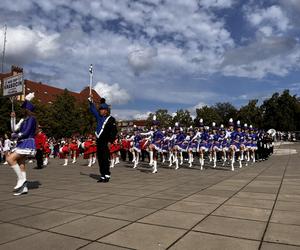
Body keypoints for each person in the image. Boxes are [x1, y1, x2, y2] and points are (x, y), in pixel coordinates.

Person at [7, 93, 37, 195]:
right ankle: (23, 188)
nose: (22, 109)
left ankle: (21, 180)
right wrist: (13, 119)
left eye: (24, 108)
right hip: (21, 143)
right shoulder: (23, 120)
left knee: (10, 159)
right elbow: (13, 129)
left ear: (27, 109)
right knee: (21, 164)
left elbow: (27, 132)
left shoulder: (32, 119)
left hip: (27, 142)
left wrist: (16, 135)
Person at [88, 96, 117, 182]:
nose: (100, 111)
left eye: (102, 109)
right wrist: (90, 102)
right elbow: (93, 111)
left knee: (105, 158)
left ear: (106, 111)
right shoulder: (99, 118)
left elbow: (114, 131)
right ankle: (102, 175)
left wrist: (110, 141)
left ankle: (107, 175)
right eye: (100, 109)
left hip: (106, 141)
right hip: (99, 141)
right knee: (100, 159)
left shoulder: (111, 119)